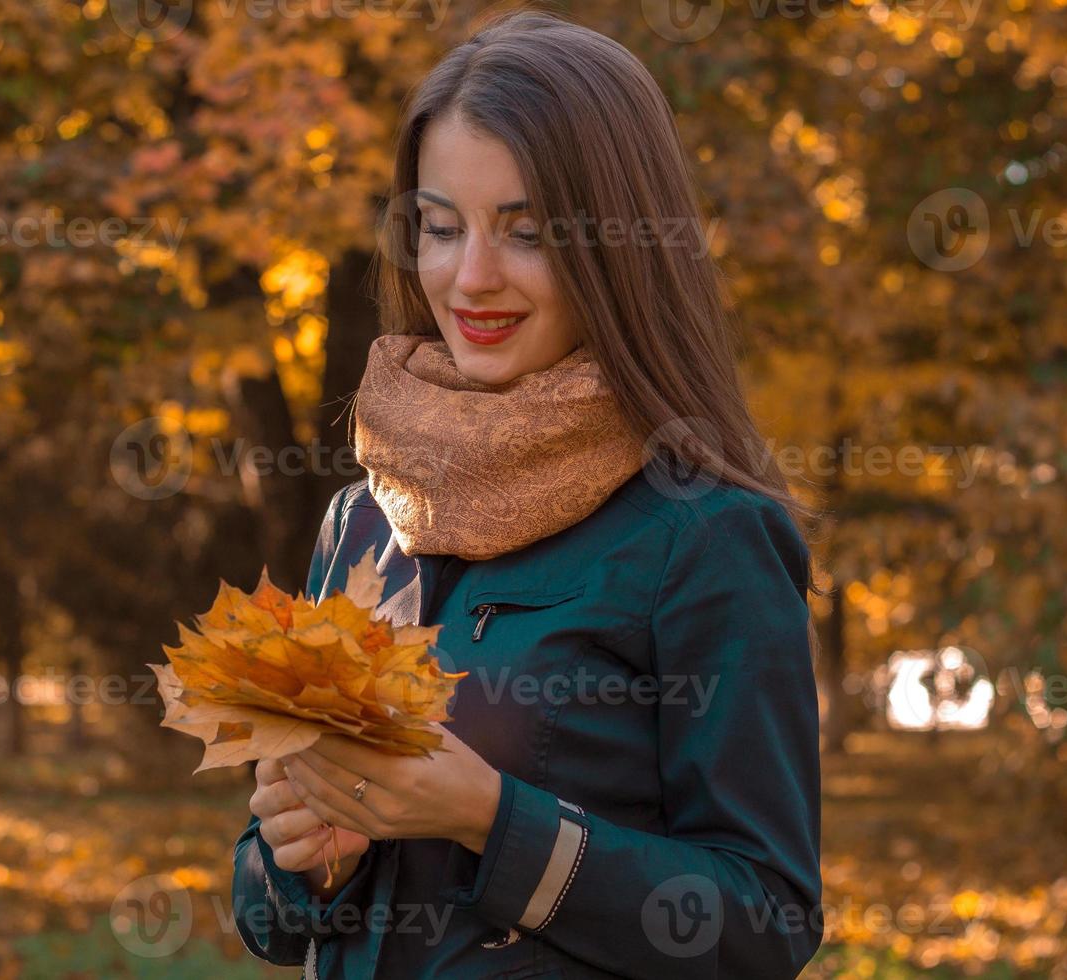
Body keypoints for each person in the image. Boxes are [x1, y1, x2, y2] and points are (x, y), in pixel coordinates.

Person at [233, 10, 823, 978]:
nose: (470, 278)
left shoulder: (705, 532)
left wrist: (494, 821)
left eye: (528, 231)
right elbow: (268, 911)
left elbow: (765, 921)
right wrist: (303, 862)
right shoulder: (363, 517)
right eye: (439, 226)